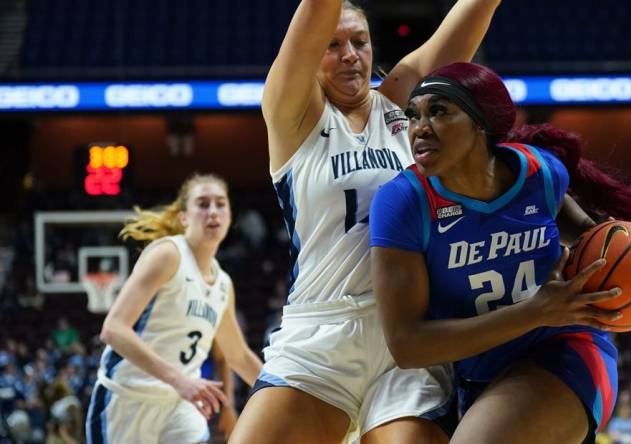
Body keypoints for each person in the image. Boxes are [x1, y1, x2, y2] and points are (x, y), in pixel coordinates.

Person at [369, 62, 631, 443]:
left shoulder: (539, 173)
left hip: (563, 350)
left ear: (481, 124)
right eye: (413, 115)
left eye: (439, 111)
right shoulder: (404, 201)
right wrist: (532, 311)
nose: (419, 128)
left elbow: (596, 243)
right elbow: (407, 345)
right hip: (478, 373)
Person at [230, 1, 503, 443]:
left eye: (360, 42)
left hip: (406, 334)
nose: (350, 54)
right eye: (332, 45)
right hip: (320, 332)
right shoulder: (292, 114)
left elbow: (467, 22)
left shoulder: (402, 102)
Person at [85, 174, 263, 444]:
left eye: (220, 204)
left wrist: (285, 394)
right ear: (183, 218)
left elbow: (238, 355)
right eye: (202, 204)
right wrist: (181, 381)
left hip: (179, 404)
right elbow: (113, 330)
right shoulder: (168, 255)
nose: (213, 211)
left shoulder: (223, 283)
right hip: (126, 401)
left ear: (229, 215)